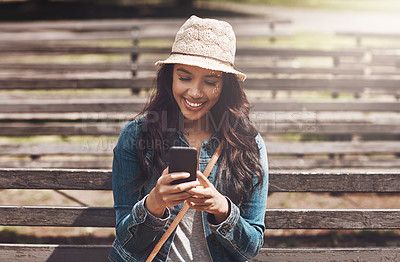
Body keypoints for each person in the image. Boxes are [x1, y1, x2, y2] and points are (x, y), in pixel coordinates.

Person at [109, 15, 269, 262]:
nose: (194, 92)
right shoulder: (136, 136)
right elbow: (127, 241)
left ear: (225, 86)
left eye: (210, 81)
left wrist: (222, 209)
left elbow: (251, 247)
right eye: (184, 78)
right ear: (170, 77)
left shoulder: (247, 143)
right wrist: (153, 204)